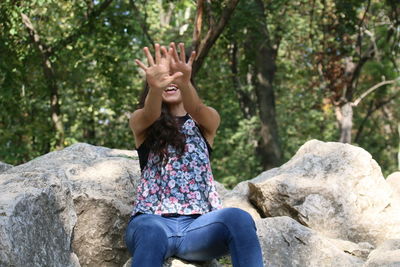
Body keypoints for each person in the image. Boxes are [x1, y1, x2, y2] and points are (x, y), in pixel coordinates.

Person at [124, 42, 264, 267]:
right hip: (153, 224)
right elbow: (150, 113)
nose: (170, 81)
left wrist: (185, 82)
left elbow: (197, 108)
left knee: (239, 219)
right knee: (150, 232)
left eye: (175, 75)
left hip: (198, 229)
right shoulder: (143, 123)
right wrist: (155, 89)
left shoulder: (205, 122)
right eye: (164, 76)